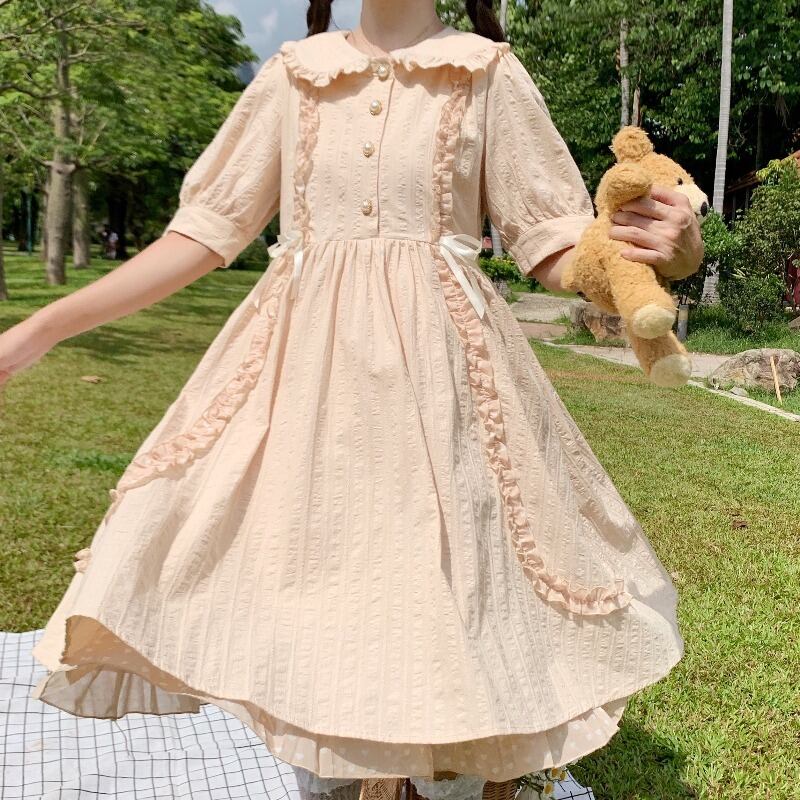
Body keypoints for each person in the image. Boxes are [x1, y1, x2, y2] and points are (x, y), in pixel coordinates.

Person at [0, 1, 703, 798]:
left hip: (447, 389)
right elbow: (203, 232)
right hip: (303, 395)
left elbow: (556, 246)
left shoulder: (488, 72)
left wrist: (663, 253)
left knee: (450, 612)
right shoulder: (295, 75)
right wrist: (37, 332)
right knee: (320, 609)